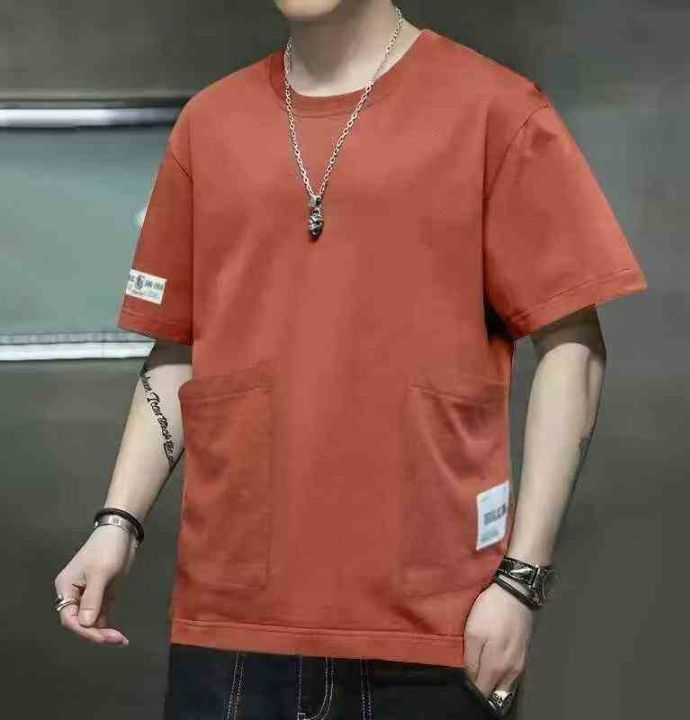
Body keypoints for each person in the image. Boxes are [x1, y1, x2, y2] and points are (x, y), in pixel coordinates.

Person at [53, 1, 648, 718]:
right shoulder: (209, 125)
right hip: (231, 635)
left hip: (438, 632)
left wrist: (522, 580)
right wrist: (116, 523)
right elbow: (179, 346)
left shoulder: (496, 110)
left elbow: (572, 346)